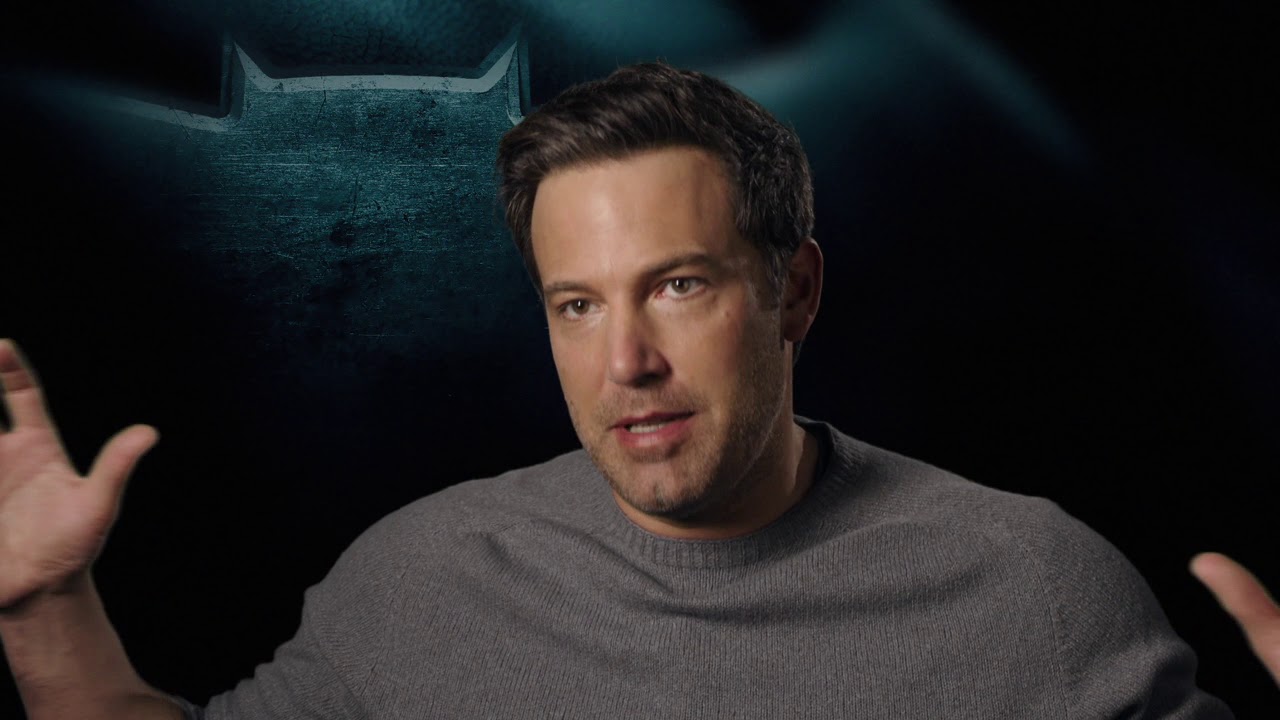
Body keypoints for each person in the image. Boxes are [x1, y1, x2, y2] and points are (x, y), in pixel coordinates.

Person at [0, 61, 1248, 718]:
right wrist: (47, 608)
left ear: (794, 292)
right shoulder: (425, 581)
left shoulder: (1032, 592)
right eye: (577, 305)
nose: (624, 365)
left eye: (678, 286)